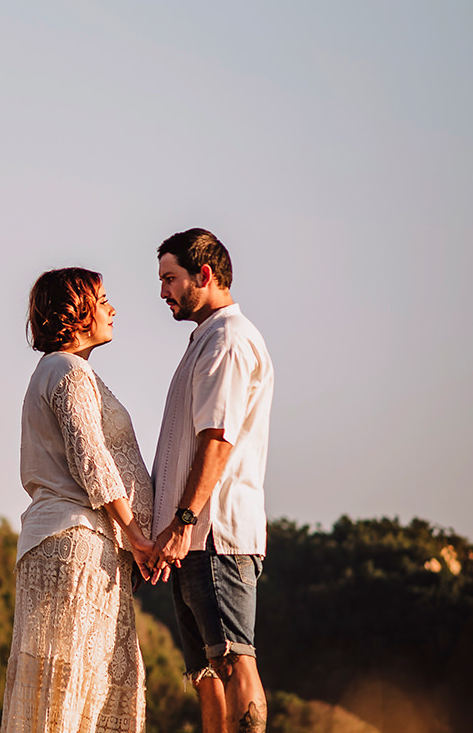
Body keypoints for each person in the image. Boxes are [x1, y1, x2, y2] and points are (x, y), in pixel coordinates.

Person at [2, 267, 160, 733]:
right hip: (76, 540)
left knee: (78, 681)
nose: (112, 309)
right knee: (73, 683)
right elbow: (92, 460)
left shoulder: (64, 370)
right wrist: (137, 536)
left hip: (76, 541)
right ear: (76, 312)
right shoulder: (67, 370)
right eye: (103, 299)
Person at [148, 228, 275, 733]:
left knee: (234, 658)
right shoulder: (206, 340)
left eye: (170, 279)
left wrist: (182, 520)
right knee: (206, 673)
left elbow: (217, 439)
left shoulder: (228, 340)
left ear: (204, 275)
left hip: (213, 534)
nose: (163, 292)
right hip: (192, 541)